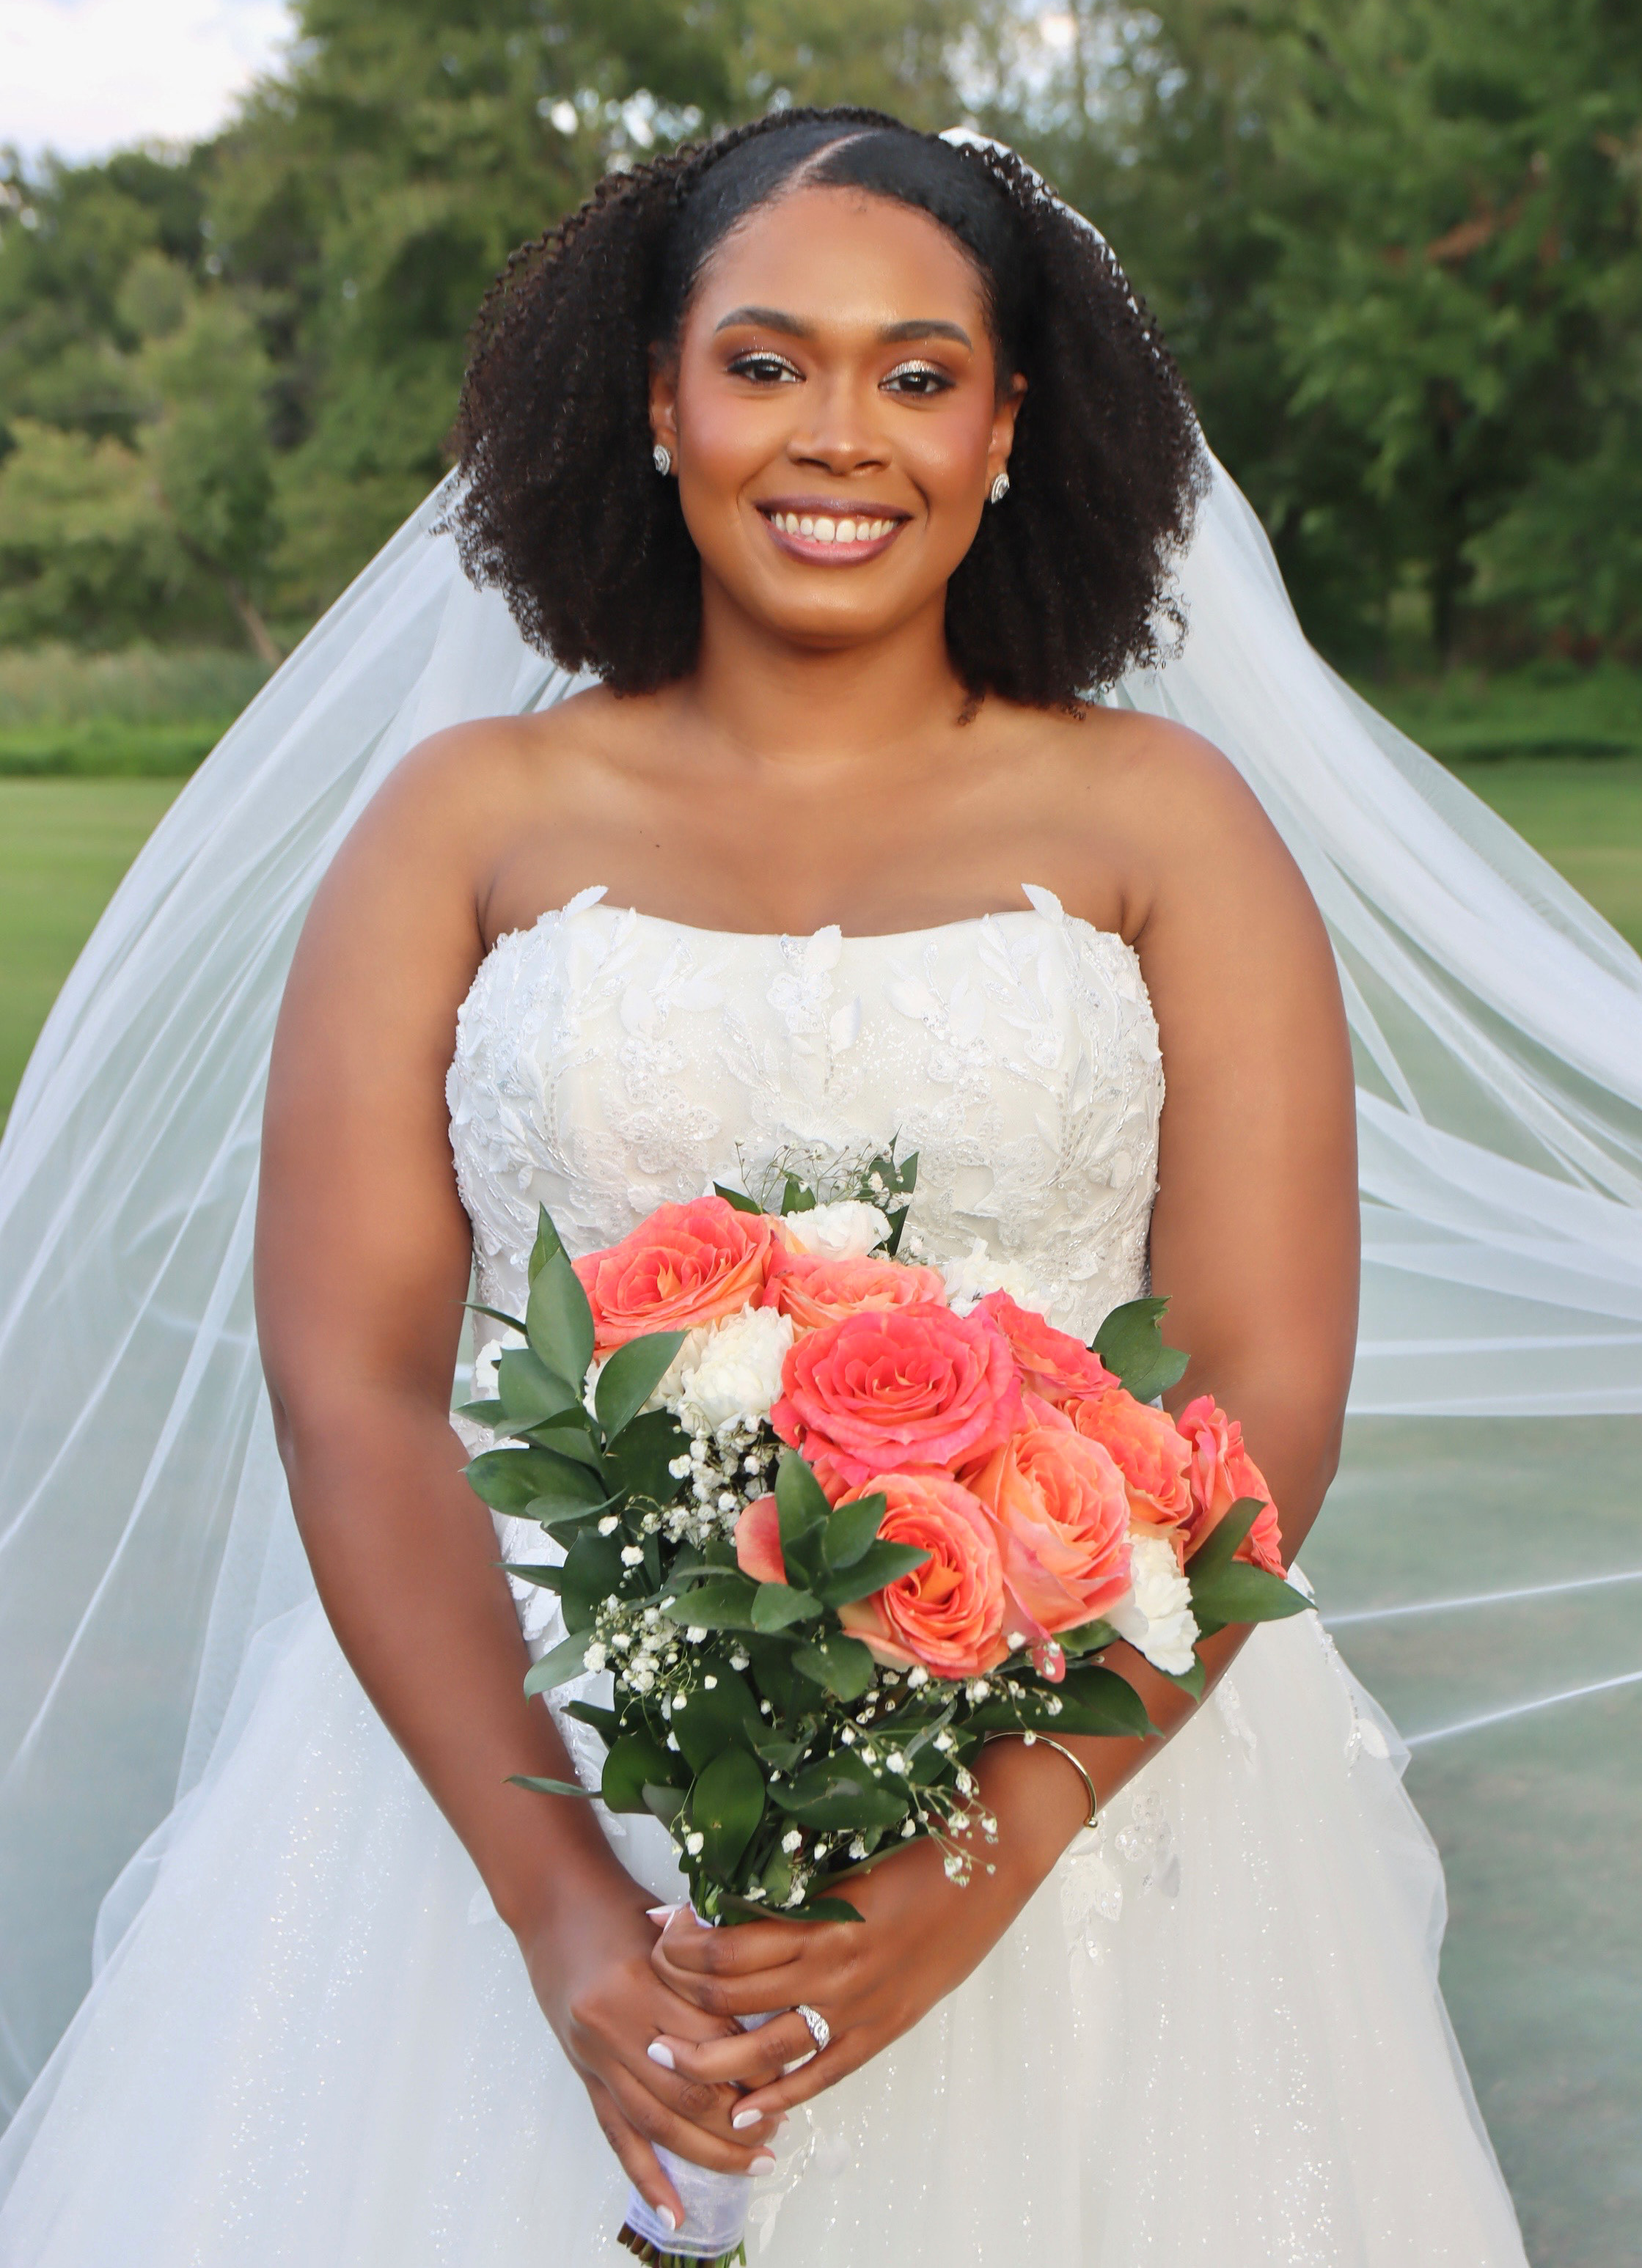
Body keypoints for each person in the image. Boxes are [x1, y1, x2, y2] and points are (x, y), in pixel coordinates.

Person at [0, 111, 1533, 2264]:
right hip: (514, 1777)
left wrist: (966, 1881)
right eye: (765, 361)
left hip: (1086, 1796)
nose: (843, 437)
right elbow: (349, 1379)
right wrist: (560, 1920)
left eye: (919, 374)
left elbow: (1264, 1387)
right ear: (654, 397)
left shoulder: (1166, 824)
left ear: (1012, 426)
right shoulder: (466, 821)